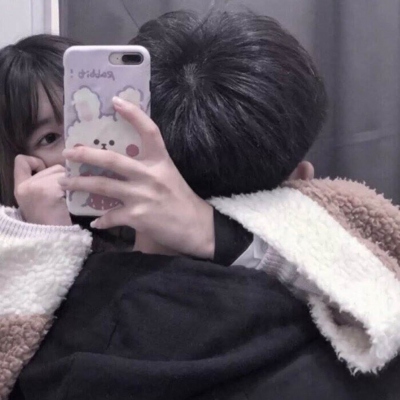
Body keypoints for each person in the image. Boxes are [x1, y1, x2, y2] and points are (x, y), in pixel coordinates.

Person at [3, 10, 400, 400]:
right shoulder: (363, 345)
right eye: (50, 137)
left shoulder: (57, 356)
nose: (77, 150)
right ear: (300, 179)